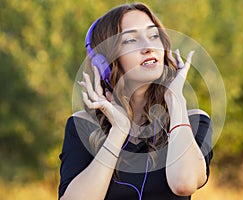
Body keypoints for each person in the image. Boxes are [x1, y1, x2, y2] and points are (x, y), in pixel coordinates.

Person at [58, 3, 213, 200]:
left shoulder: (194, 122)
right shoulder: (82, 126)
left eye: (154, 36)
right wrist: (118, 132)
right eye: (131, 40)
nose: (148, 47)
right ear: (104, 62)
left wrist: (175, 101)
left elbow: (184, 183)